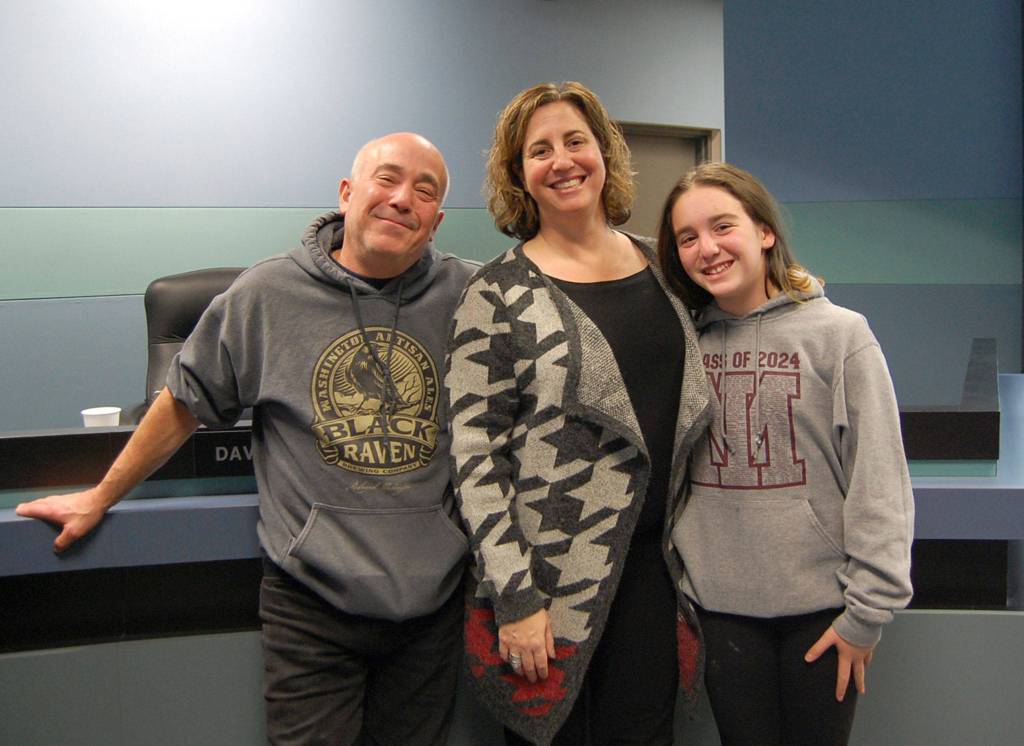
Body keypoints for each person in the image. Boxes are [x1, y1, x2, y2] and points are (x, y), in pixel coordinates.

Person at [16, 132, 478, 746]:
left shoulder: (471, 296)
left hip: (431, 606)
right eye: (386, 179)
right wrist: (100, 496)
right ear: (347, 194)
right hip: (313, 603)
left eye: (425, 191)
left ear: (437, 219)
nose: (402, 199)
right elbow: (182, 404)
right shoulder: (266, 295)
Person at [445, 81, 711, 746]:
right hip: (548, 579)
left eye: (575, 141)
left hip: (653, 575)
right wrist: (514, 595)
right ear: (520, 176)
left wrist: (795, 288)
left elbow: (745, 293)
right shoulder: (498, 292)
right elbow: (475, 458)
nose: (563, 160)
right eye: (540, 150)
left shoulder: (663, 266)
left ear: (603, 153)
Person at [655, 162, 914, 746]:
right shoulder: (685, 343)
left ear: (764, 231)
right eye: (688, 238)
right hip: (720, 613)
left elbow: (879, 482)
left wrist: (866, 616)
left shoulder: (841, 335)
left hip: (822, 616)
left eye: (723, 226)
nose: (708, 248)